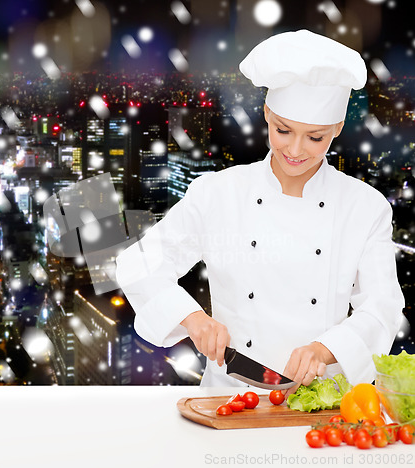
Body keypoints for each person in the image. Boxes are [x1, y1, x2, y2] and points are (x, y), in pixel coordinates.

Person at [115, 29, 405, 389]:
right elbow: (139, 263)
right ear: (267, 113)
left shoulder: (364, 207)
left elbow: (383, 307)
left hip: (319, 400)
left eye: (315, 137)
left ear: (337, 129)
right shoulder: (218, 192)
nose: (296, 149)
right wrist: (193, 319)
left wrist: (325, 349)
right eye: (284, 130)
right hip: (228, 397)